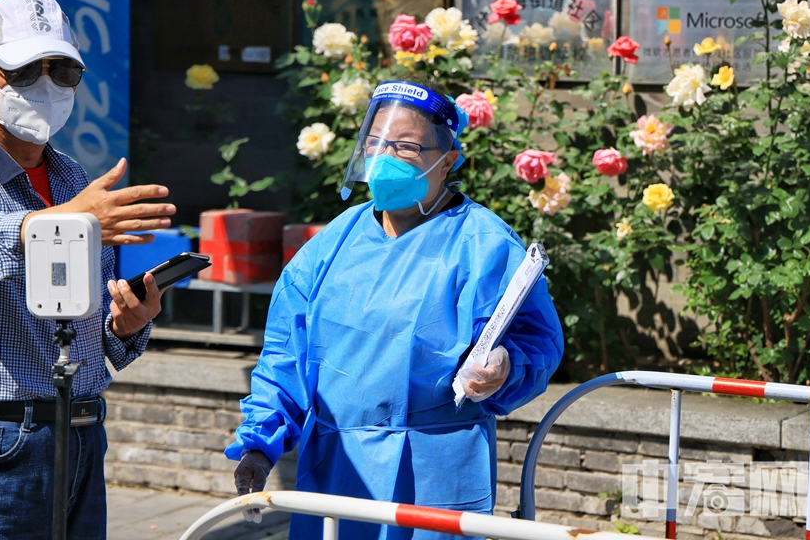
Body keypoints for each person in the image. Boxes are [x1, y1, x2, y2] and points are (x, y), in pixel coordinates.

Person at [227, 80, 564, 539]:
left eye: (406, 147)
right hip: (334, 464)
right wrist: (260, 443)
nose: (384, 158)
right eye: (375, 143)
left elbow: (536, 340)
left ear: (447, 162)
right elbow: (286, 351)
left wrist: (506, 368)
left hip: (435, 469)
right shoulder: (334, 241)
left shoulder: (484, 244)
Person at [0, 0, 175, 539]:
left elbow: (85, 326)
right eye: (26, 71)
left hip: (79, 434)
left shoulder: (72, 177)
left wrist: (125, 325)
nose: (47, 87)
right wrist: (66, 220)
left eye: (63, 70)